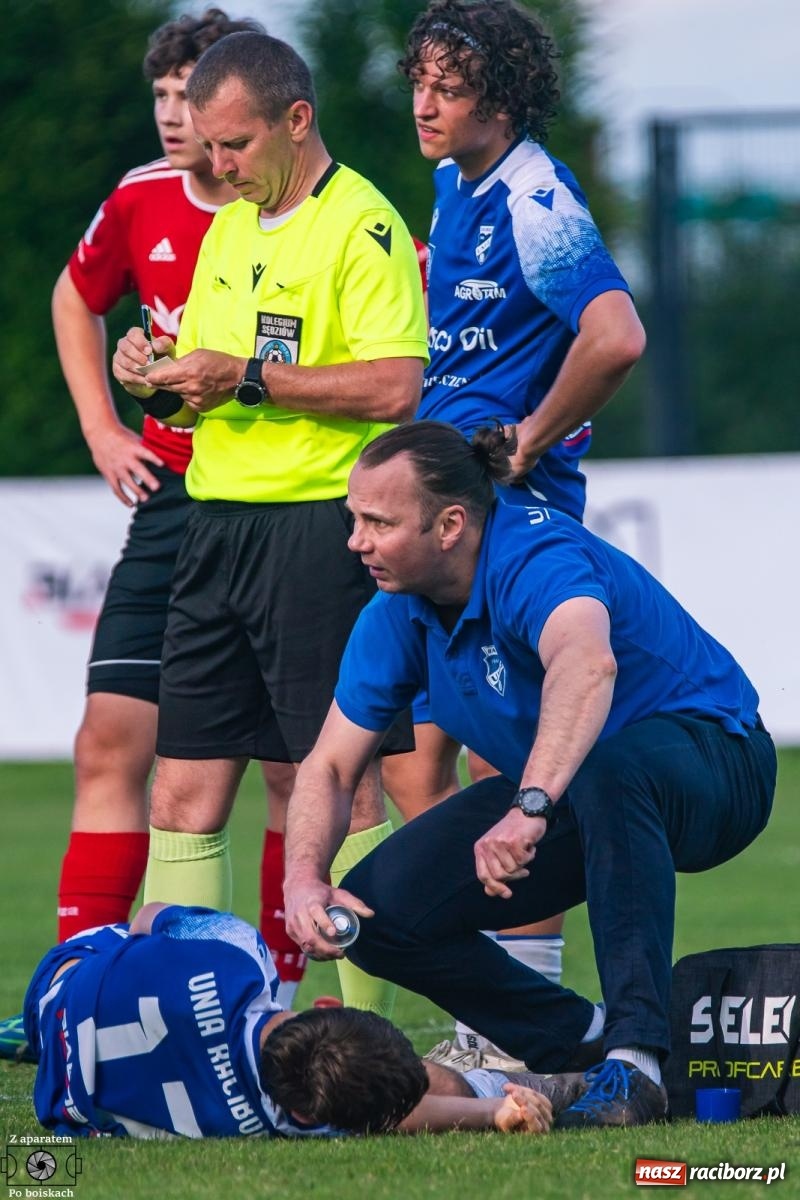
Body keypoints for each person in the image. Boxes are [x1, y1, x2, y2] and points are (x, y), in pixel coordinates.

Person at [282, 421, 777, 1129]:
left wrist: (530, 804)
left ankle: (638, 1065)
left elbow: (587, 665)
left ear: (450, 524)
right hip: (585, 791)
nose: (356, 540)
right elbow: (329, 766)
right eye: (354, 518)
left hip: (720, 768)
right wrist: (305, 876)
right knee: (378, 914)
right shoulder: (393, 611)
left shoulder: (535, 554)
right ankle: (584, 1044)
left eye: (378, 522)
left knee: (611, 764)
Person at [110, 31, 429, 1019]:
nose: (215, 167)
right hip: (213, 529)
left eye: (234, 145)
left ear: (297, 121)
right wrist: (155, 380)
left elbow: (394, 386)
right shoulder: (230, 229)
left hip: (314, 537)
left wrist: (244, 375)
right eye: (206, 147)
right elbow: (201, 386)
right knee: (181, 796)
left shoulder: (362, 225)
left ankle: (362, 1051)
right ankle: (182, 1038)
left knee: (342, 791)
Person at [379, 0, 647, 1063]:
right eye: (419, 80)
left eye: (448, 86)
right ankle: (485, 1020)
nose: (423, 102)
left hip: (505, 522)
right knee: (409, 760)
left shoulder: (537, 197)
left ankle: (516, 1032)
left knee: (499, 758)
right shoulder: (453, 188)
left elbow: (614, 333)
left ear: (502, 96)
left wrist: (531, 432)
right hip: (437, 515)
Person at [43, 9, 310, 1010]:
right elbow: (78, 298)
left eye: (191, 94)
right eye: (160, 94)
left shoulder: (303, 213)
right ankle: (81, 988)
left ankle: (277, 1002)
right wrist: (105, 428)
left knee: (291, 770)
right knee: (109, 739)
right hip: (172, 502)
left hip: (278, 509)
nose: (173, 114)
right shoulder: (140, 198)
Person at [24, 902, 573, 1139]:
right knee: (431, 1081)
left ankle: (529, 1084)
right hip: (64, 1085)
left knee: (145, 939)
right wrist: (486, 1115)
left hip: (60, 983)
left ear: (322, 1010)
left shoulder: (240, 955)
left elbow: (147, 919)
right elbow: (393, 1116)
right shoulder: (269, 1118)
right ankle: (558, 1082)